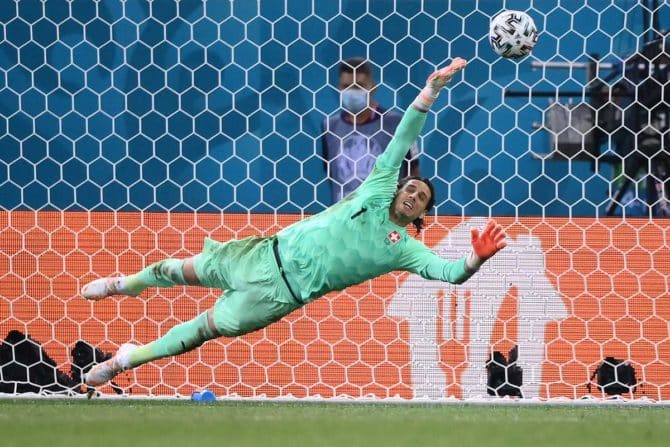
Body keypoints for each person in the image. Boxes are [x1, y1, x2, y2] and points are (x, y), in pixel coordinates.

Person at [81, 57, 508, 387]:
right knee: (177, 272)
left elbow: (450, 274)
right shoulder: (377, 187)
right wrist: (431, 91)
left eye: (422, 199)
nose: (413, 195)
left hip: (281, 295)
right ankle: (123, 284)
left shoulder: (405, 248)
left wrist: (477, 259)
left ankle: (124, 360)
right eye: (411, 188)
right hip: (262, 254)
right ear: (398, 187)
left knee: (200, 332)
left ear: (422, 215)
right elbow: (402, 137)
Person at [323, 57, 420, 204]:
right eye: (346, 86)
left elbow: (413, 173)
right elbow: (331, 172)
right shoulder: (330, 126)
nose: (352, 92)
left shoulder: (398, 124)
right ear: (339, 89)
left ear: (373, 88)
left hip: (383, 217)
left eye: (359, 86)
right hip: (342, 217)